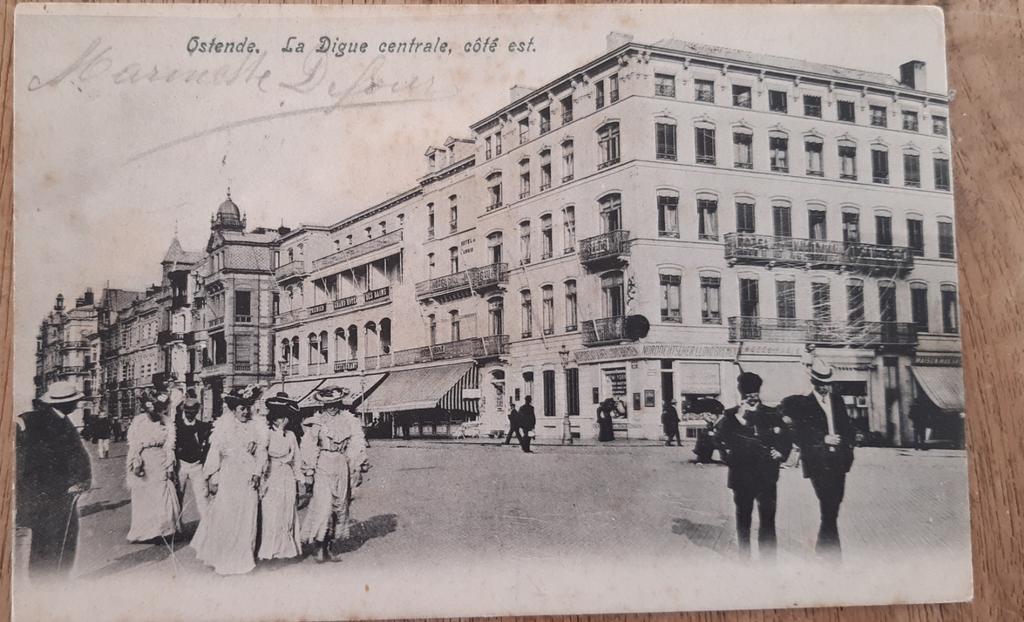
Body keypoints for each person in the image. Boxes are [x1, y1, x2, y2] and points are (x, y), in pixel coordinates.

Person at [779, 359, 856, 560]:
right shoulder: (804, 404)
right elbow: (798, 433)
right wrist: (823, 439)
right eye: (821, 384)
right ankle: (832, 554)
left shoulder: (837, 401)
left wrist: (848, 444)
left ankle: (824, 549)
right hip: (817, 462)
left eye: (827, 384)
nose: (824, 388)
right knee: (827, 505)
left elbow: (847, 427)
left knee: (834, 505)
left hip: (839, 461)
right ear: (813, 382)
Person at [16, 382, 92, 579]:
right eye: (74, 401)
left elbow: (76, 455)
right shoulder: (41, 422)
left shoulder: (59, 419)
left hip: (60, 493)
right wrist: (71, 481)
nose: (77, 403)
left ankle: (55, 579)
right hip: (50, 494)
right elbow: (35, 461)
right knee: (50, 539)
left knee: (60, 538)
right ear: (63, 403)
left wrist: (81, 479)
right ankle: (47, 582)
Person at [191, 385, 268, 575]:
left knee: (247, 516)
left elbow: (262, 453)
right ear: (233, 409)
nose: (245, 412)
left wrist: (257, 473)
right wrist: (212, 477)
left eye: (248, 407)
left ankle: (244, 559)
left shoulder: (257, 427)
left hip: (248, 478)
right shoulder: (224, 428)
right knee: (227, 516)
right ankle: (224, 558)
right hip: (229, 476)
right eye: (242, 408)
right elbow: (214, 453)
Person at [715, 373, 791, 561]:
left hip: (767, 476)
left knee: (768, 519)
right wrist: (728, 458)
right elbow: (720, 439)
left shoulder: (772, 413)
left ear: (759, 392)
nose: (752, 397)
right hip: (741, 476)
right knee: (743, 519)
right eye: (748, 394)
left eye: (754, 393)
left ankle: (768, 561)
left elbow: (786, 437)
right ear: (742, 394)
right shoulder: (730, 415)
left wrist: (781, 452)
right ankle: (744, 559)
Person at [300, 386, 370, 563]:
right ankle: (319, 547)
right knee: (323, 507)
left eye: (335, 403)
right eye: (328, 404)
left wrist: (359, 463)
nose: (332, 407)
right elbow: (309, 447)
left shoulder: (349, 421)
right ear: (323, 405)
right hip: (323, 464)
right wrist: (309, 471)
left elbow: (356, 444)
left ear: (340, 403)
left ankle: (329, 548)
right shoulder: (317, 422)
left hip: (341, 465)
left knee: (339, 507)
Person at [125, 389, 181, 543]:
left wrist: (169, 466)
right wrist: (136, 462)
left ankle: (163, 530)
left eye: (158, 409)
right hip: (144, 460)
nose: (155, 413)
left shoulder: (167, 422)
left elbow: (170, 445)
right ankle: (145, 532)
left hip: (160, 460)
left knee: (162, 494)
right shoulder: (139, 421)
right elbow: (134, 443)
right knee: (144, 496)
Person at [258, 393, 303, 561]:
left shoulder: (290, 435)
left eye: (286, 417)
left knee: (287, 509)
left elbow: (297, 457)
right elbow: (262, 456)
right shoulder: (266, 434)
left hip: (287, 475)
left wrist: (300, 477)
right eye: (281, 417)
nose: (284, 420)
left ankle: (287, 549)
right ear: (274, 419)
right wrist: (261, 477)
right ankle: (270, 549)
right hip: (272, 475)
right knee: (271, 511)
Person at [175, 394, 212, 520]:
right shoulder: (176, 426)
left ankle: (206, 526)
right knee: (177, 496)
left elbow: (207, 447)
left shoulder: (204, 427)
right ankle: (177, 527)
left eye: (192, 411)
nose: (190, 414)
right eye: (187, 411)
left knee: (202, 496)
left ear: (197, 411)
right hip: (181, 465)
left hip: (197, 466)